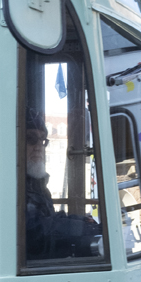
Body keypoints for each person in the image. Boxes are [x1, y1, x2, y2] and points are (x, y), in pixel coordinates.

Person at [25, 111, 101, 260]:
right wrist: (81, 229)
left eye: (42, 140)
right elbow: (35, 232)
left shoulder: (36, 185)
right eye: (31, 139)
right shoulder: (3, 185)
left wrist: (83, 221)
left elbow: (49, 219)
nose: (38, 146)